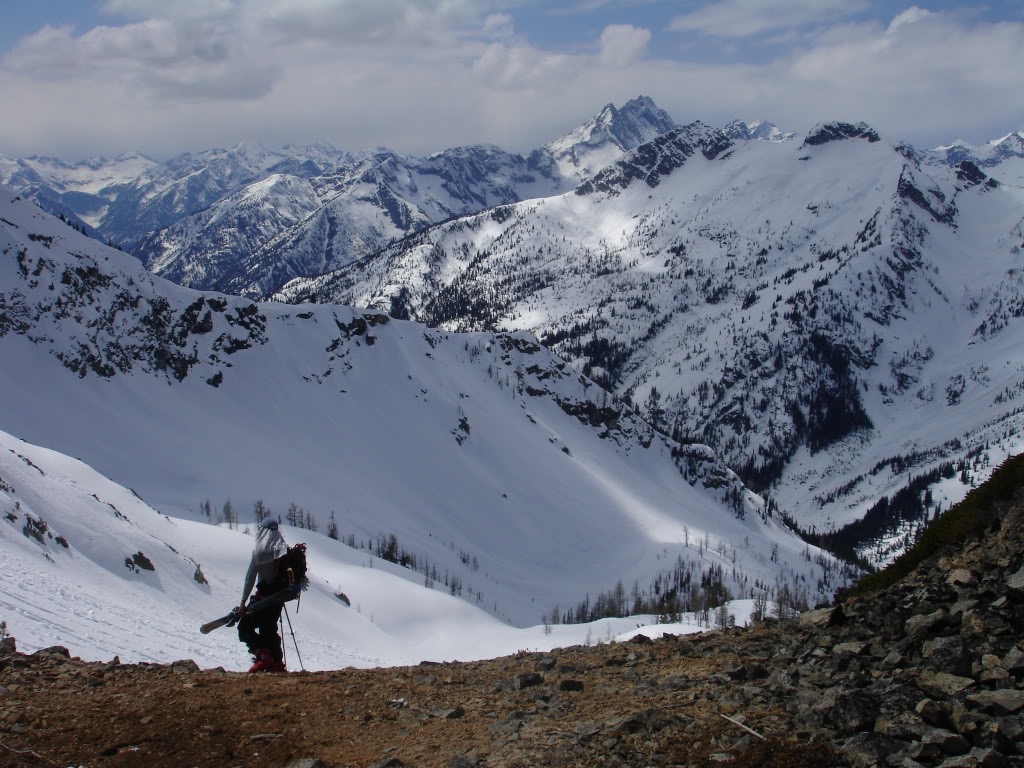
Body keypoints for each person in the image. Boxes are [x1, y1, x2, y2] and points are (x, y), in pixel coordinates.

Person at [237, 518, 289, 672]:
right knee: (269, 628)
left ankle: (264, 657)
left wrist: (243, 602)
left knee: (245, 626)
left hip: (264, 597)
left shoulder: (260, 552)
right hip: (280, 597)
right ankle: (277, 663)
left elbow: (250, 578)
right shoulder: (283, 549)